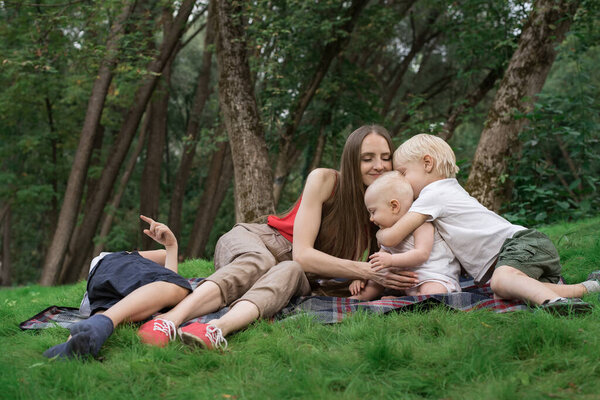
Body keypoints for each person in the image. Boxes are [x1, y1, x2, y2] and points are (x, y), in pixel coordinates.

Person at [138, 125, 419, 350]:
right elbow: (304, 254)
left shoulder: (380, 209)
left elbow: (309, 265)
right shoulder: (326, 181)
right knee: (260, 260)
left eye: (385, 157)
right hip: (258, 240)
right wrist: (366, 270)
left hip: (294, 273)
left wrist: (369, 277)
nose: (379, 165)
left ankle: (215, 330)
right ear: (350, 159)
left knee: (290, 269)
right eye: (367, 158)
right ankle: (170, 321)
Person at [376, 133, 600, 312]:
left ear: (427, 163)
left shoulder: (432, 195)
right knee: (502, 291)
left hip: (520, 244)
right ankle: (589, 288)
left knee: (501, 282)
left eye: (403, 173)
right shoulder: (447, 189)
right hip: (524, 252)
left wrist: (379, 235)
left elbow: (394, 235)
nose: (402, 181)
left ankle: (554, 304)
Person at [43, 215, 192, 359]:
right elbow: (170, 277)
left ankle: (70, 348)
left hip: (100, 285)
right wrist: (172, 246)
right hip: (110, 269)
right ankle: (85, 336)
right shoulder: (129, 260)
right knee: (179, 288)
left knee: (107, 312)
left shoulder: (121, 271)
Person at [349, 171, 460, 300]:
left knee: (432, 292)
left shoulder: (421, 224)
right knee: (378, 278)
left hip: (435, 277)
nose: (371, 219)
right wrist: (364, 276)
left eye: (373, 212)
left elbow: (421, 254)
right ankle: (359, 297)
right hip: (408, 282)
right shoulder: (389, 233)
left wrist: (390, 260)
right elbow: (378, 262)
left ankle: (406, 302)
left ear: (394, 206)